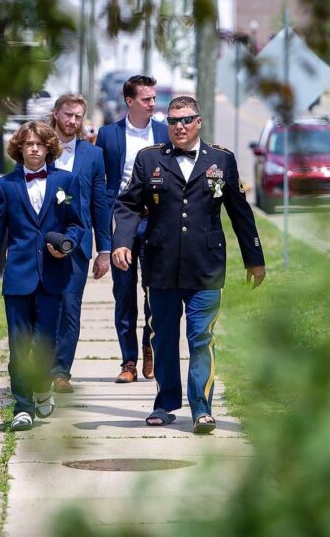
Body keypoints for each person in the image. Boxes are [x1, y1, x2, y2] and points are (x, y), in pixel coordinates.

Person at [112, 96, 266, 434]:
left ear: (199, 122)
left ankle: (202, 409)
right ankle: (165, 403)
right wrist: (121, 242)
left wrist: (254, 258)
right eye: (173, 120)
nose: (179, 127)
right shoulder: (148, 158)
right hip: (161, 265)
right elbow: (128, 205)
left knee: (201, 338)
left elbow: (240, 211)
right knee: (163, 337)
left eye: (186, 120)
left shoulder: (221, 160)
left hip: (205, 267)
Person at [0, 121, 86, 432]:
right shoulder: (6, 186)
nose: (35, 148)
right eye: (29, 144)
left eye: (40, 144)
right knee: (19, 345)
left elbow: (77, 224)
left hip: (54, 276)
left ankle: (42, 387)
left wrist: (68, 245)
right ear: (20, 149)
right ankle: (22, 406)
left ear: (48, 148)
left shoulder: (66, 181)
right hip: (18, 277)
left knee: (45, 342)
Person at [95, 75, 169, 383]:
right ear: (130, 101)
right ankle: (128, 362)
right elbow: (102, 185)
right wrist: (104, 236)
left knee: (154, 292)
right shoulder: (108, 135)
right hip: (122, 222)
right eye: (146, 99)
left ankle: (150, 349)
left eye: (154, 98)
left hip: (155, 222)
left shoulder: (166, 133)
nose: (152, 103)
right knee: (123, 294)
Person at [48, 94, 112, 394]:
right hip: (41, 241)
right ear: (56, 114)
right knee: (42, 308)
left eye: (78, 116)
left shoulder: (93, 156)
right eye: (68, 114)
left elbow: (100, 204)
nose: (73, 121)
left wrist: (104, 250)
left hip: (78, 245)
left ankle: (61, 372)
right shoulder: (38, 148)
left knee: (71, 309)